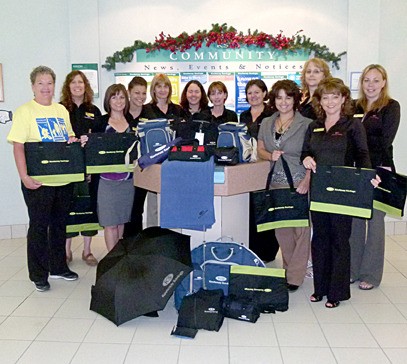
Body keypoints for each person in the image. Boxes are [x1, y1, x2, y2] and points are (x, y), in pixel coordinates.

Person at [301, 77, 376, 308]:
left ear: (344, 99)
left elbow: (363, 154)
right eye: (325, 97)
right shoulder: (314, 125)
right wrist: (306, 159)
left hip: (344, 189)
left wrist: (367, 177)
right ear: (320, 101)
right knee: (320, 239)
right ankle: (320, 289)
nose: (330, 101)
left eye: (335, 96)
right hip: (320, 189)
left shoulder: (352, 125)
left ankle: (337, 292)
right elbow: (306, 151)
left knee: (340, 240)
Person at [7, 65, 79, 292]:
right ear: (33, 86)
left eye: (49, 83)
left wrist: (75, 143)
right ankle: (38, 274)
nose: (46, 87)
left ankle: (58, 267)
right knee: (39, 227)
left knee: (59, 226)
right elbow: (18, 147)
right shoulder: (25, 111)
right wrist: (24, 176)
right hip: (37, 181)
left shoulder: (61, 111)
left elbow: (68, 139)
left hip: (63, 179)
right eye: (41, 83)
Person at [349, 65, 401, 290]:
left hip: (379, 169)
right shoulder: (354, 106)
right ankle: (352, 270)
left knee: (375, 221)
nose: (370, 85)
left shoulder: (391, 107)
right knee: (355, 220)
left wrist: (366, 164)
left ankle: (370, 274)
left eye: (375, 80)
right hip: (356, 169)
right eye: (366, 80)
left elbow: (385, 140)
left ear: (383, 82)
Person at [257, 80, 312, 291]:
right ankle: (290, 269)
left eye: (288, 97)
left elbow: (311, 155)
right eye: (279, 97)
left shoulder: (306, 124)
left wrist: (307, 180)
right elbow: (260, 149)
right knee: (282, 231)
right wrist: (269, 155)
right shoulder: (266, 122)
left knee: (301, 230)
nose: (283, 102)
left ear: (295, 100)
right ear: (273, 100)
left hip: (298, 181)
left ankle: (295, 276)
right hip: (275, 182)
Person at [60, 70, 101, 266]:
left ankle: (87, 250)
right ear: (68, 86)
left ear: (86, 86)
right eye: (73, 82)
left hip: (88, 167)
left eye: (81, 82)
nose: (77, 86)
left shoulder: (94, 110)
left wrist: (90, 139)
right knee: (67, 207)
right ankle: (66, 251)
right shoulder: (59, 109)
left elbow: (101, 138)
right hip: (66, 167)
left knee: (87, 206)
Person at [89, 84, 135, 252]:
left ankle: (119, 256)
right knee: (110, 224)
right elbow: (92, 150)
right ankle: (112, 259)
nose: (118, 101)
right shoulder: (101, 123)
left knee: (121, 221)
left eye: (122, 97)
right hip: (106, 182)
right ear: (108, 100)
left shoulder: (132, 122)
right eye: (114, 97)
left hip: (127, 181)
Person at [240, 79, 279, 263]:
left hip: (267, 165)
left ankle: (267, 251)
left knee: (266, 207)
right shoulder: (243, 116)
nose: (253, 96)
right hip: (248, 169)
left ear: (264, 93)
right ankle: (251, 247)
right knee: (251, 208)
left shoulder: (272, 115)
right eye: (249, 93)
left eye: (257, 92)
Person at [140, 74, 184, 227]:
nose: (162, 90)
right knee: (153, 204)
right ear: (153, 89)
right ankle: (153, 236)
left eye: (165, 86)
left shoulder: (178, 110)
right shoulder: (145, 110)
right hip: (154, 162)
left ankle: (172, 235)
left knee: (173, 200)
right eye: (159, 86)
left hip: (173, 161)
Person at [123, 76, 148, 238]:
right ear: (129, 93)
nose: (140, 97)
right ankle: (122, 245)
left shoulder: (150, 114)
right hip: (122, 171)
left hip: (142, 169)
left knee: (137, 209)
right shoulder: (120, 113)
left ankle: (135, 244)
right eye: (137, 93)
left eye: (144, 93)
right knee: (123, 209)